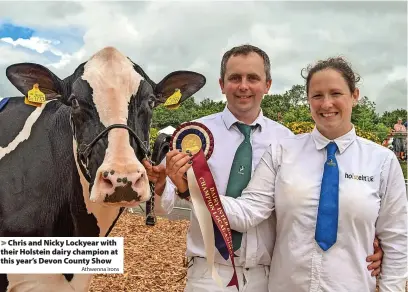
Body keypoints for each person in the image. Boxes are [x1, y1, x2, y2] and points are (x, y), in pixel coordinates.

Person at [143, 46, 384, 291]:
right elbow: (164, 208)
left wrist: (368, 242)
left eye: (253, 78)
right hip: (209, 273)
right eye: (235, 78)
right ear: (222, 83)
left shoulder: (287, 142)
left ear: (267, 85)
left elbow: (307, 206)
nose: (243, 86)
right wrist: (162, 186)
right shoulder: (192, 135)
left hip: (266, 276)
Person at [218, 56, 408, 291]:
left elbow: (396, 239)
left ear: (355, 95)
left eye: (336, 93)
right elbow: (249, 211)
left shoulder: (382, 161)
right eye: (317, 96)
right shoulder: (282, 152)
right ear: (308, 100)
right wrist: (191, 189)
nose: (326, 103)